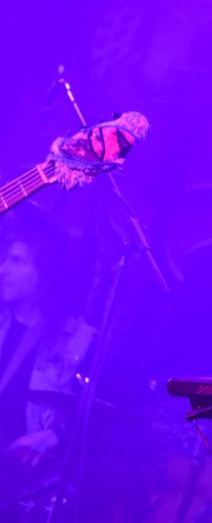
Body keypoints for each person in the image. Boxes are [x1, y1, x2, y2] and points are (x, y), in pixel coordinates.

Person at [0, 205, 96, 520]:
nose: (3, 270)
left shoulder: (78, 340)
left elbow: (94, 419)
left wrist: (53, 437)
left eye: (16, 262)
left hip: (27, 487)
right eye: (5, 260)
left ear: (44, 271)